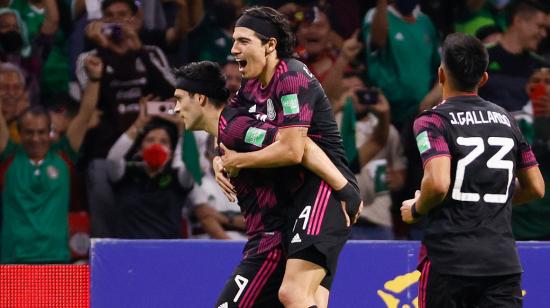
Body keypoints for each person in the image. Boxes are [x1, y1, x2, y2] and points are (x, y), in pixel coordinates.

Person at [173, 61, 360, 307]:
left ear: (199, 98)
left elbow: (298, 146)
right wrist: (222, 160)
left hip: (271, 245)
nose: (175, 109)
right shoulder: (226, 136)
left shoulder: (236, 127)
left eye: (179, 99)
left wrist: (345, 188)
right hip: (274, 239)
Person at [217, 6, 361, 307]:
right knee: (312, 299)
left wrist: (237, 162)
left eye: (243, 41)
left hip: (326, 187)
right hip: (298, 196)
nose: (234, 49)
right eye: (233, 41)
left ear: (270, 45)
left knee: (291, 293)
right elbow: (231, 127)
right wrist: (220, 160)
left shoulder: (291, 76)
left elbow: (293, 149)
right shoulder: (251, 85)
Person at [400, 33, 545, 308]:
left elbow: (439, 183)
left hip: (449, 261)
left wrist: (417, 208)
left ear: (441, 75)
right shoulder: (507, 121)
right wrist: (489, 199)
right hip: (502, 264)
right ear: (484, 78)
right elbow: (536, 188)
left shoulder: (432, 121)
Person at [0, 55, 101, 263]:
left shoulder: (63, 155)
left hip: (56, 259)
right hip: (12, 260)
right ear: (19, 133)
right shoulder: (8, 156)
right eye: (29, 132)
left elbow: (85, 114)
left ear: (50, 133)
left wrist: (94, 80)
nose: (35, 138)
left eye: (41, 132)